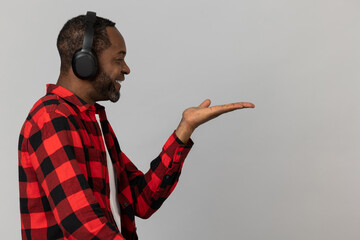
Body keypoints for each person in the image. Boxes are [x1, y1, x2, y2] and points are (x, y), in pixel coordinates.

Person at [18, 12, 255, 240]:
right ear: (85, 61)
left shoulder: (93, 122)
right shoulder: (51, 117)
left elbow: (141, 200)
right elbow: (81, 223)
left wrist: (185, 130)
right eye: (118, 59)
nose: (126, 69)